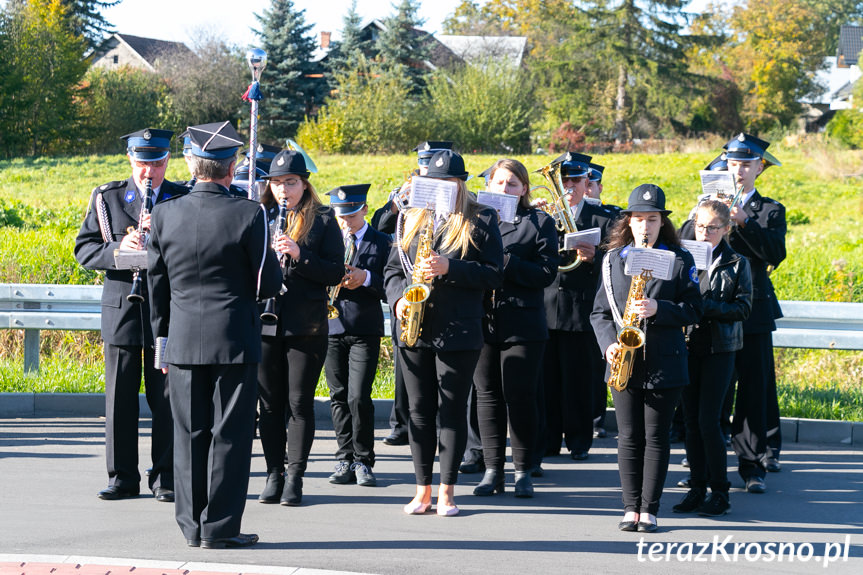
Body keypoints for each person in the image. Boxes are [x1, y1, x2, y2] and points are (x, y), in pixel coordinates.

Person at [147, 121, 282, 548]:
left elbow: (156, 287)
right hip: (235, 339)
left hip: (183, 340)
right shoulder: (250, 213)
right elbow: (267, 283)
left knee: (187, 438)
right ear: (231, 168)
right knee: (231, 436)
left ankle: (190, 527)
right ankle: (219, 528)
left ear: (195, 165)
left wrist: (162, 342)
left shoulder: (166, 213)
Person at [384, 149, 503, 516]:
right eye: (433, 183)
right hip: (414, 328)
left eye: (448, 183)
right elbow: (391, 270)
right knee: (419, 412)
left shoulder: (482, 218)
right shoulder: (410, 218)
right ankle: (422, 489)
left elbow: (494, 274)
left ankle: (447, 491)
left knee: (451, 410)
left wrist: (450, 267)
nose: (440, 189)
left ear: (460, 184)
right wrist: (398, 301)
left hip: (459, 330)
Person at [74, 127, 186, 502]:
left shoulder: (180, 197)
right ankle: (122, 475)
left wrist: (165, 236)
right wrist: (119, 249)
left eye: (156, 162)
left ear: (167, 161)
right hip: (123, 309)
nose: (149, 171)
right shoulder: (107, 198)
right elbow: (85, 250)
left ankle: (165, 474)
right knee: (120, 398)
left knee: (166, 397)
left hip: (165, 313)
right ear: (130, 160)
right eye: (142, 162)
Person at [590, 184, 702, 533]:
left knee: (656, 436)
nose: (645, 226)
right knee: (627, 436)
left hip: (665, 360)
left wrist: (659, 308)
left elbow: (694, 308)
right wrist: (608, 343)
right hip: (623, 358)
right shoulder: (613, 260)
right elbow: (599, 312)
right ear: (629, 221)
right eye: (638, 219)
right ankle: (629, 508)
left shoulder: (680, 259)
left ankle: (649, 509)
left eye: (652, 219)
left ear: (662, 223)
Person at [256, 149, 345, 506]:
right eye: (276, 183)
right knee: (269, 405)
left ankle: (295, 476)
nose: (283, 190)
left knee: (298, 403)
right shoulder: (260, 216)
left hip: (305, 325)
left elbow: (336, 271)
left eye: (290, 182)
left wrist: (299, 254)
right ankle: (273, 473)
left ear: (304, 184)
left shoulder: (322, 219)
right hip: (265, 320)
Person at [472, 159, 559, 498]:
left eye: (512, 184)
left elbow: (547, 273)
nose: (505, 189)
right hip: (483, 319)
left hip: (523, 323)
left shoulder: (538, 222)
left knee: (520, 397)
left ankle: (523, 469)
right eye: (499, 183)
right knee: (488, 396)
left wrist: (508, 262)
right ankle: (493, 470)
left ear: (524, 188)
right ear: (489, 185)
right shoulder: (475, 220)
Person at [372, 140, 453, 448]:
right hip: (410, 297)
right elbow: (381, 227)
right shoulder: (407, 195)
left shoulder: (457, 201)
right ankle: (402, 422)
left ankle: (438, 430)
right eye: (422, 162)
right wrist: (396, 203)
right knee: (405, 370)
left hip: (444, 300)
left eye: (429, 162)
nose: (424, 168)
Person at [673, 199, 751, 517]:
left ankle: (720, 491)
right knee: (690, 422)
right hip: (689, 346)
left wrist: (707, 307)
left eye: (712, 228)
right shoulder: (685, 257)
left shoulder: (736, 263)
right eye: (700, 226)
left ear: (725, 229)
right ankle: (697, 487)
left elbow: (743, 308)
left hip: (720, 349)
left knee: (709, 420)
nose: (704, 233)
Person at [540, 152, 616, 463]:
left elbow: (615, 267)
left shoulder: (604, 219)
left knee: (581, 380)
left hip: (582, 310)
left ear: (587, 183)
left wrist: (594, 258)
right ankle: (547, 440)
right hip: (546, 308)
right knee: (547, 381)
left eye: (575, 180)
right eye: (564, 180)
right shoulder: (545, 216)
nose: (569, 186)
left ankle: (579, 440)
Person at [724, 133, 786, 492]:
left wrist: (745, 221)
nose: (739, 169)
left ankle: (753, 466)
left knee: (753, 388)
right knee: (714, 389)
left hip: (755, 311)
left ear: (759, 168)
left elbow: (774, 253)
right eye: (733, 163)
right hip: (715, 308)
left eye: (746, 163)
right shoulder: (709, 205)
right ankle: (708, 464)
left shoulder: (770, 210)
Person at [323, 184, 390, 488]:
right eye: (341, 216)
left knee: (358, 396)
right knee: (338, 396)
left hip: (364, 327)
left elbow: (392, 286)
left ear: (364, 209)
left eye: (351, 214)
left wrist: (366, 279)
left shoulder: (382, 242)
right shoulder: (329, 239)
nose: (346, 221)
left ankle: (363, 459)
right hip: (331, 327)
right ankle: (343, 457)